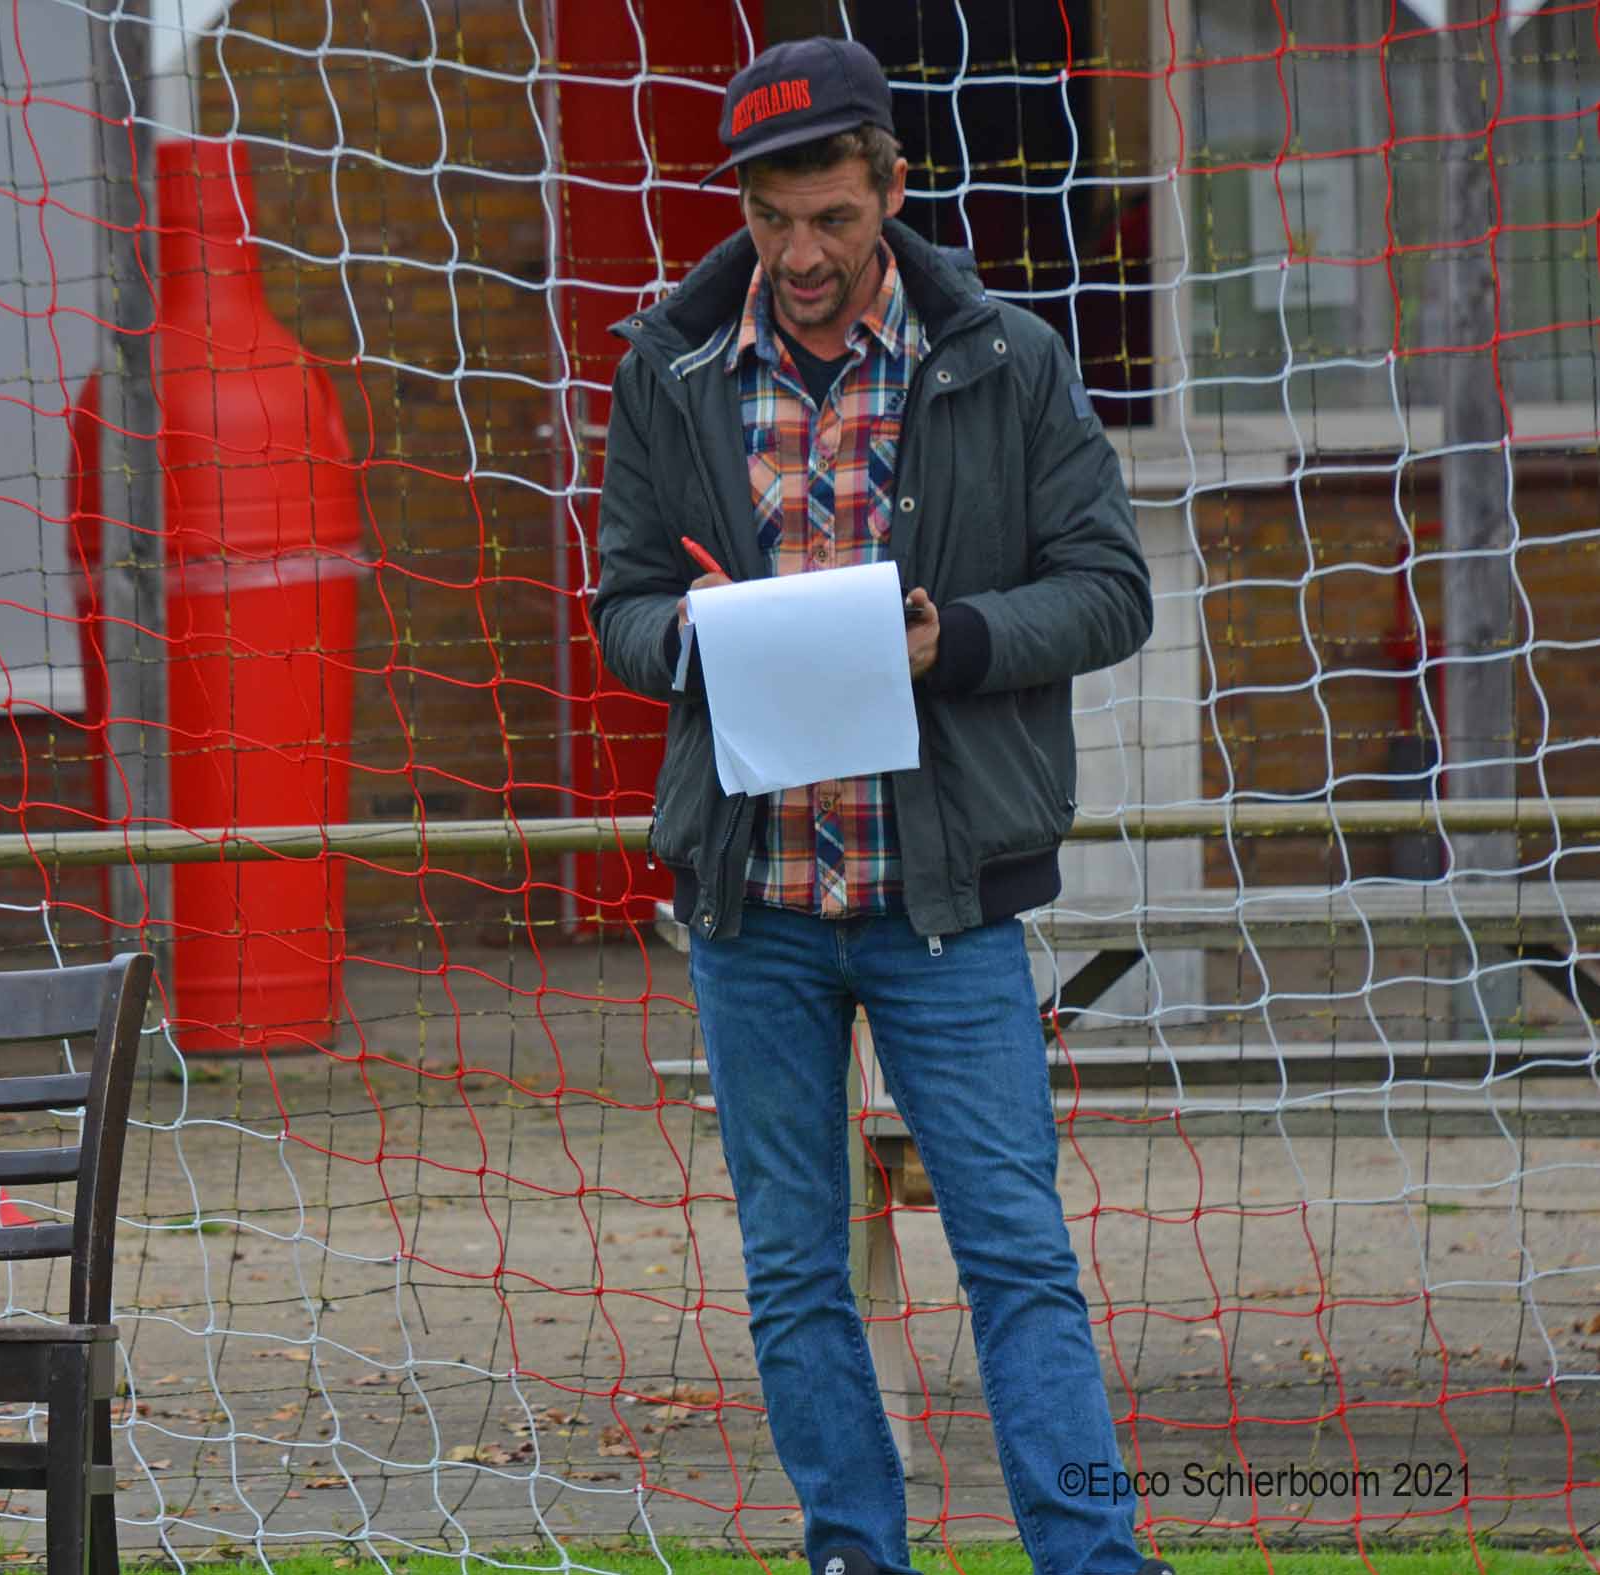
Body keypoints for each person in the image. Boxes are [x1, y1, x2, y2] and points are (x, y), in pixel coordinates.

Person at [589, 36, 1171, 1575]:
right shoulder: (668, 369)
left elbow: (1112, 592)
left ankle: (1091, 1559)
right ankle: (853, 1551)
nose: (800, 255)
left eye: (833, 218)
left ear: (893, 189)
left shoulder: (1006, 358)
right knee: (796, 1270)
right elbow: (621, 606)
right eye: (771, 220)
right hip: (754, 902)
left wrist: (949, 640)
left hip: (945, 896)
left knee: (1016, 1256)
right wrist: (694, 641)